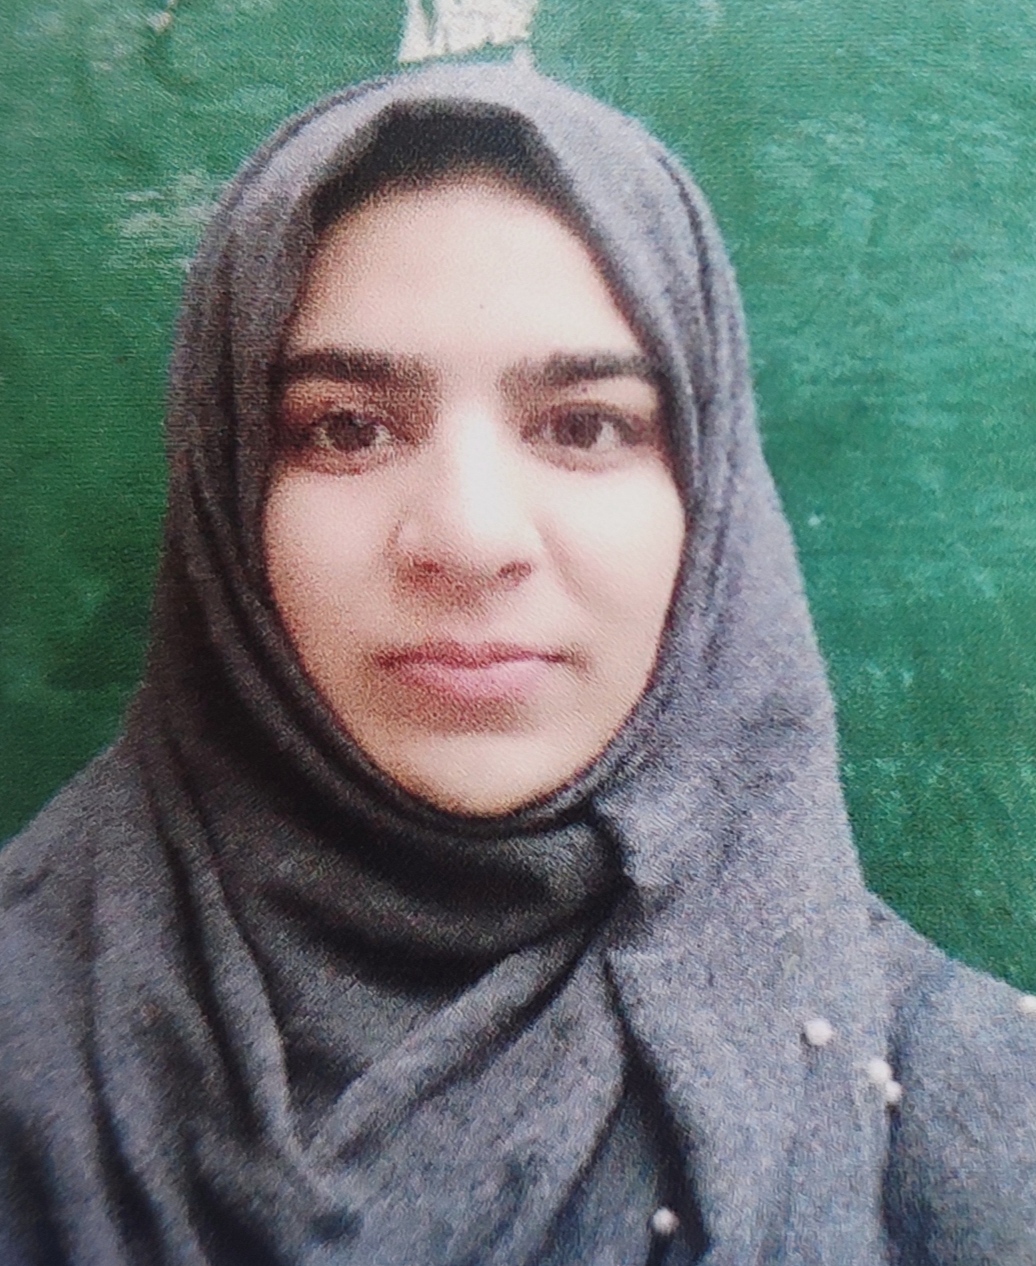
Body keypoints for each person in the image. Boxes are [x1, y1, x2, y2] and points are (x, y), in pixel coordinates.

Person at [1, 59, 1034, 1266]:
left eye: (585, 426)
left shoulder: (962, 1121)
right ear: (227, 489)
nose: (468, 538)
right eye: (346, 428)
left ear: (709, 504)